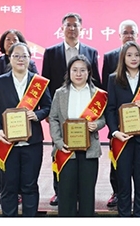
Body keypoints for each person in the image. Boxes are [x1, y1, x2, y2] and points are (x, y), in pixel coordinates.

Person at [0, 42, 51, 216]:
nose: (21, 59)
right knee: (9, 187)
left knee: (30, 186)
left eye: (24, 56)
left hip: (32, 143)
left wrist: (37, 115)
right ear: (10, 58)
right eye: (16, 56)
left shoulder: (38, 82)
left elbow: (48, 106)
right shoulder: (0, 82)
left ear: (30, 59)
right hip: (7, 142)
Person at [42, 12, 101, 206]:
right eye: (68, 25)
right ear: (62, 28)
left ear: (81, 29)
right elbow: (46, 82)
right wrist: (49, 111)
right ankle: (59, 191)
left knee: (85, 175)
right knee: (61, 154)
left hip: (86, 117)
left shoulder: (91, 51)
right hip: (61, 113)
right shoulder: (51, 52)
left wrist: (97, 119)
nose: (72, 28)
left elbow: (97, 83)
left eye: (75, 25)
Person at [102, 19, 140, 209]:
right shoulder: (113, 79)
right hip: (121, 136)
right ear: (123, 58)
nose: (133, 58)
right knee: (123, 182)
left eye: (137, 55)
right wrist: (115, 131)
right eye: (129, 55)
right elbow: (109, 108)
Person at [0, 29, 38, 205]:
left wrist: (37, 114)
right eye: (8, 39)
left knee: (28, 174)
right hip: (4, 126)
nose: (12, 42)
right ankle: (3, 191)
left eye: (15, 39)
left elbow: (42, 98)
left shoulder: (33, 71)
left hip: (28, 130)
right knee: (5, 165)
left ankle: (21, 194)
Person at [49, 55, 107, 216]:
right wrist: (58, 142)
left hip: (90, 150)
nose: (79, 74)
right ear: (69, 72)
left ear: (89, 72)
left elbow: (103, 118)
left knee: (87, 193)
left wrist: (97, 124)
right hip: (66, 150)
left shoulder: (98, 95)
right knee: (66, 192)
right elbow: (53, 118)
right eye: (74, 70)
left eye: (83, 70)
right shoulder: (60, 93)